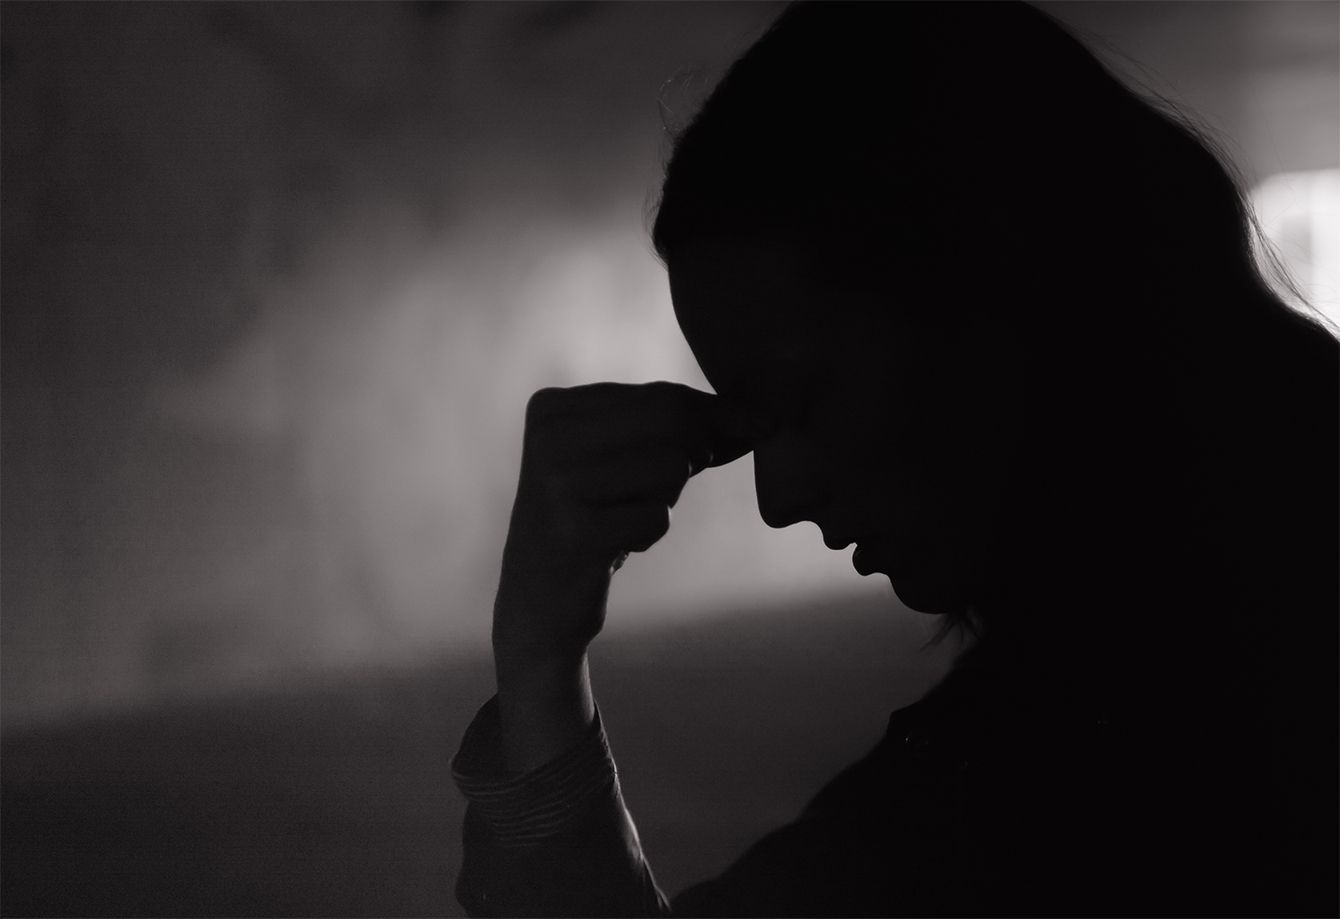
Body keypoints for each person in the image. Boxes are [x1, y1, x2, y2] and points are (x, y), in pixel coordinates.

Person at [450, 2, 1339, 915]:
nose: (777, 498)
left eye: (801, 399)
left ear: (997, 292)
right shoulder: (1124, 679)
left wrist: (539, 655)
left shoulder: (1057, 765)